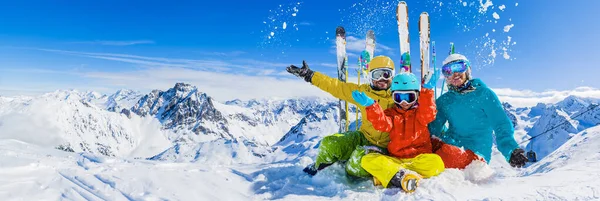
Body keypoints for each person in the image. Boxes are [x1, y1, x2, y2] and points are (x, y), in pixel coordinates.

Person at [286, 56, 396, 177]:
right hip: (364, 137)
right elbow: (336, 86)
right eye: (377, 75)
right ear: (370, 77)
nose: (382, 79)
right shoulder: (363, 92)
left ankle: (349, 169)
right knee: (329, 143)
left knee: (357, 163)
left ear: (392, 76)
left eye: (386, 74)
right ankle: (320, 167)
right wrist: (310, 75)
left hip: (385, 147)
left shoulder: (400, 97)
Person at [428, 53, 529, 169]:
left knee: (444, 158)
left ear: (468, 70)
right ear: (445, 77)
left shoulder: (484, 94)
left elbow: (500, 124)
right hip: (449, 144)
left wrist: (511, 150)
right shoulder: (445, 100)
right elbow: (433, 126)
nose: (454, 74)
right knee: (429, 153)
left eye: (459, 67)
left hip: (476, 154)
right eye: (448, 71)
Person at [351, 70, 444, 193]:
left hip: (419, 158)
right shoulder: (391, 114)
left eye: (409, 97)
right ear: (393, 97)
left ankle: (391, 174)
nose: (404, 102)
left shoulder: (420, 113)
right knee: (367, 160)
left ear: (416, 96)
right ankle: (403, 175)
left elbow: (429, 114)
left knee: (436, 163)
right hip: (396, 158)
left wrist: (427, 92)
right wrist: (371, 106)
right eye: (399, 97)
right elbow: (382, 124)